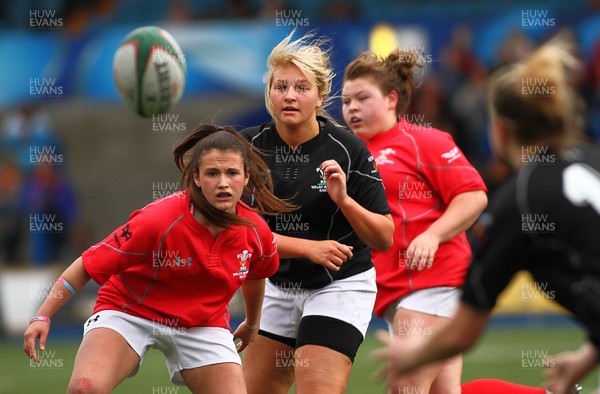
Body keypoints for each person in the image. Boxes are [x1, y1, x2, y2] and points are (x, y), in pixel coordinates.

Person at [372, 36, 600, 394]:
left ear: (500, 130)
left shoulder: (520, 200)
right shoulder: (592, 160)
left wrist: (412, 358)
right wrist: (589, 357)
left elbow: (465, 329)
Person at [23, 124, 296, 393]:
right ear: (197, 178)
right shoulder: (158, 219)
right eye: (212, 173)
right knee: (85, 388)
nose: (223, 182)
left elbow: (256, 274)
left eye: (232, 173)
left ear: (246, 177)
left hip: (203, 324)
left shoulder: (256, 231)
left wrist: (252, 323)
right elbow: (86, 264)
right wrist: (42, 317)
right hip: (130, 311)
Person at [239, 31, 394, 394]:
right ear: (269, 93)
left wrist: (344, 200)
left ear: (321, 96)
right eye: (280, 87)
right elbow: (239, 230)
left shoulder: (348, 149)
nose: (289, 95)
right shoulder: (246, 148)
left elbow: (384, 237)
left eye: (301, 87)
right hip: (276, 285)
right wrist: (307, 247)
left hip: (339, 285)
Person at [341, 48, 488, 394]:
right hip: (395, 292)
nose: (353, 108)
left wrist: (433, 235)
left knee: (404, 388)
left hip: (433, 282)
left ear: (392, 99)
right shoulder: (348, 154)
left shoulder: (424, 141)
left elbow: (474, 195)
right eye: (347, 101)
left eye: (363, 98)